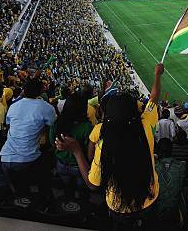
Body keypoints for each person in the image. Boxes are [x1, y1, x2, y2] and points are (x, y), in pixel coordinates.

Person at [60, 63, 163, 230]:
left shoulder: (103, 142)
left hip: (118, 208)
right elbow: (154, 98)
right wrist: (157, 75)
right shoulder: (146, 125)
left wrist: (77, 151)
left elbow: (93, 185)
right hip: (150, 199)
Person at [0, 78, 57, 207]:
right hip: (27, 159)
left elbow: (10, 127)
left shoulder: (14, 106)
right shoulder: (46, 107)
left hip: (5, 157)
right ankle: (46, 203)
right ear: (42, 91)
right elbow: (51, 129)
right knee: (44, 177)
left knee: (21, 191)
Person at [50, 85, 93, 196]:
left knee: (68, 189)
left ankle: (68, 203)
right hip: (79, 167)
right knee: (82, 190)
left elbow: (52, 143)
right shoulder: (88, 127)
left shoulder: (56, 123)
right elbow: (89, 155)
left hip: (61, 163)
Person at [153, 138, 186, 227]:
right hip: (174, 212)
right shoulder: (181, 166)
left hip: (157, 213)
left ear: (159, 151)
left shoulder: (154, 167)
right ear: (171, 150)